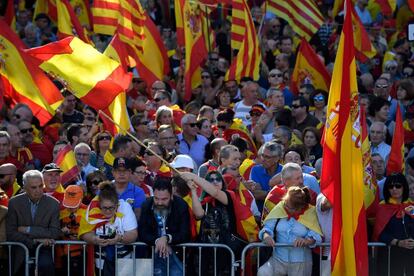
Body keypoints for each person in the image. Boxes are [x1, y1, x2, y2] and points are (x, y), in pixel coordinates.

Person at [181, 171, 244, 275]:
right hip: (206, 251)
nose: (214, 182)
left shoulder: (229, 195)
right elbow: (198, 214)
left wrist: (193, 176)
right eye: (211, 180)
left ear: (223, 183)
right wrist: (193, 190)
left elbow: (215, 193)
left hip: (225, 250)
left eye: (218, 179)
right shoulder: (205, 201)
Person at [6, 170, 62, 275]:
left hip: (44, 250)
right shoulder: (14, 203)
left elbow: (54, 233)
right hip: (20, 249)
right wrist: (36, 240)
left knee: (45, 265)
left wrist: (27, 229)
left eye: (41, 186)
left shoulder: (53, 204)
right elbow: (11, 233)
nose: (38, 190)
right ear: (25, 187)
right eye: (33, 187)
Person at [258, 186, 322, 276]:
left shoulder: (310, 212)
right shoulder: (280, 207)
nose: (285, 208)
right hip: (278, 259)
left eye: (289, 207)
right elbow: (267, 227)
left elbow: (316, 234)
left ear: (300, 208)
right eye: (285, 204)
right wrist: (266, 235)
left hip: (300, 262)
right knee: (263, 272)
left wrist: (306, 241)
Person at [79, 181, 138, 275]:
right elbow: (84, 233)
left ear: (117, 204)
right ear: (99, 205)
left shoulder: (125, 207)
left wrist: (119, 238)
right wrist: (95, 239)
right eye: (104, 208)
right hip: (100, 261)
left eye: (111, 208)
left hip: (123, 261)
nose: (108, 211)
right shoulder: (93, 210)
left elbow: (133, 234)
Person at [139, 178, 191, 276]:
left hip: (176, 256)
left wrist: (167, 238)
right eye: (156, 198)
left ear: (171, 196)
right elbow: (142, 232)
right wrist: (158, 241)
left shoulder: (181, 205)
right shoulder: (146, 205)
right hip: (152, 256)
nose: (159, 203)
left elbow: (185, 234)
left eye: (164, 199)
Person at [372, 173, 414, 275]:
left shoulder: (411, 206)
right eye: (391, 186)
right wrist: (398, 242)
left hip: (411, 255)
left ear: (404, 187)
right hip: (390, 256)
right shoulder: (383, 207)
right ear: (387, 189)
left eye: (398, 186)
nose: (394, 189)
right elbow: (380, 233)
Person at [57, 185, 87, 275]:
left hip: (80, 255)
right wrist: (61, 231)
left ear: (81, 199)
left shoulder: (88, 211)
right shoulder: (61, 212)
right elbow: (54, 232)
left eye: (74, 204)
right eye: (69, 203)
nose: (71, 208)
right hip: (62, 255)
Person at [112, 157, 146, 221]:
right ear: (113, 172)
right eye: (118, 170)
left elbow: (138, 217)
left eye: (125, 170)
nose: (122, 174)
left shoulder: (138, 192)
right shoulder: (104, 190)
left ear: (130, 172)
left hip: (131, 229)